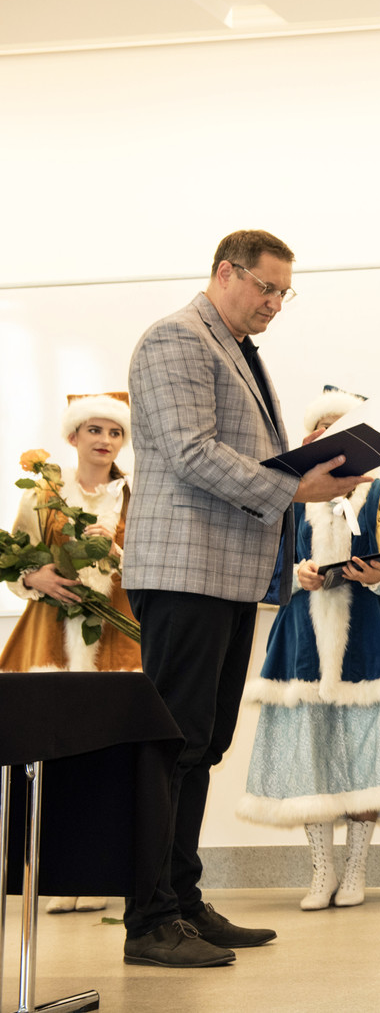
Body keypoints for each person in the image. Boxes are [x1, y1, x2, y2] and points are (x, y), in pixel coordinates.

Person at [123, 229, 368, 968]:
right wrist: (296, 485)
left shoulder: (235, 347)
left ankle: (182, 900)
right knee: (171, 746)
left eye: (285, 293)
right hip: (184, 571)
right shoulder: (177, 338)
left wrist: (307, 473)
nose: (275, 304)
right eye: (267, 288)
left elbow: (233, 455)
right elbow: (192, 452)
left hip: (225, 573)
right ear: (226, 273)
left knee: (202, 745)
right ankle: (148, 920)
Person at [237, 387, 380, 911]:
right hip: (301, 641)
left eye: (342, 429)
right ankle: (321, 870)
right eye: (322, 431)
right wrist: (297, 575)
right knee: (311, 754)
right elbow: (268, 573)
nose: (330, 439)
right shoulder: (288, 497)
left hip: (368, 641)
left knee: (367, 757)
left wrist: (377, 576)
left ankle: (355, 869)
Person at [3, 392, 141, 915]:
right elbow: (17, 560)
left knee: (111, 756)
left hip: (117, 638)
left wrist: (117, 551)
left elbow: (151, 566)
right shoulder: (43, 495)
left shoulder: (135, 494)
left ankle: (104, 873)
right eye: (94, 430)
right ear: (74, 436)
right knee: (52, 756)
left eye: (115, 432)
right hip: (50, 636)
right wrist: (33, 577)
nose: (105, 440)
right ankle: (61, 875)